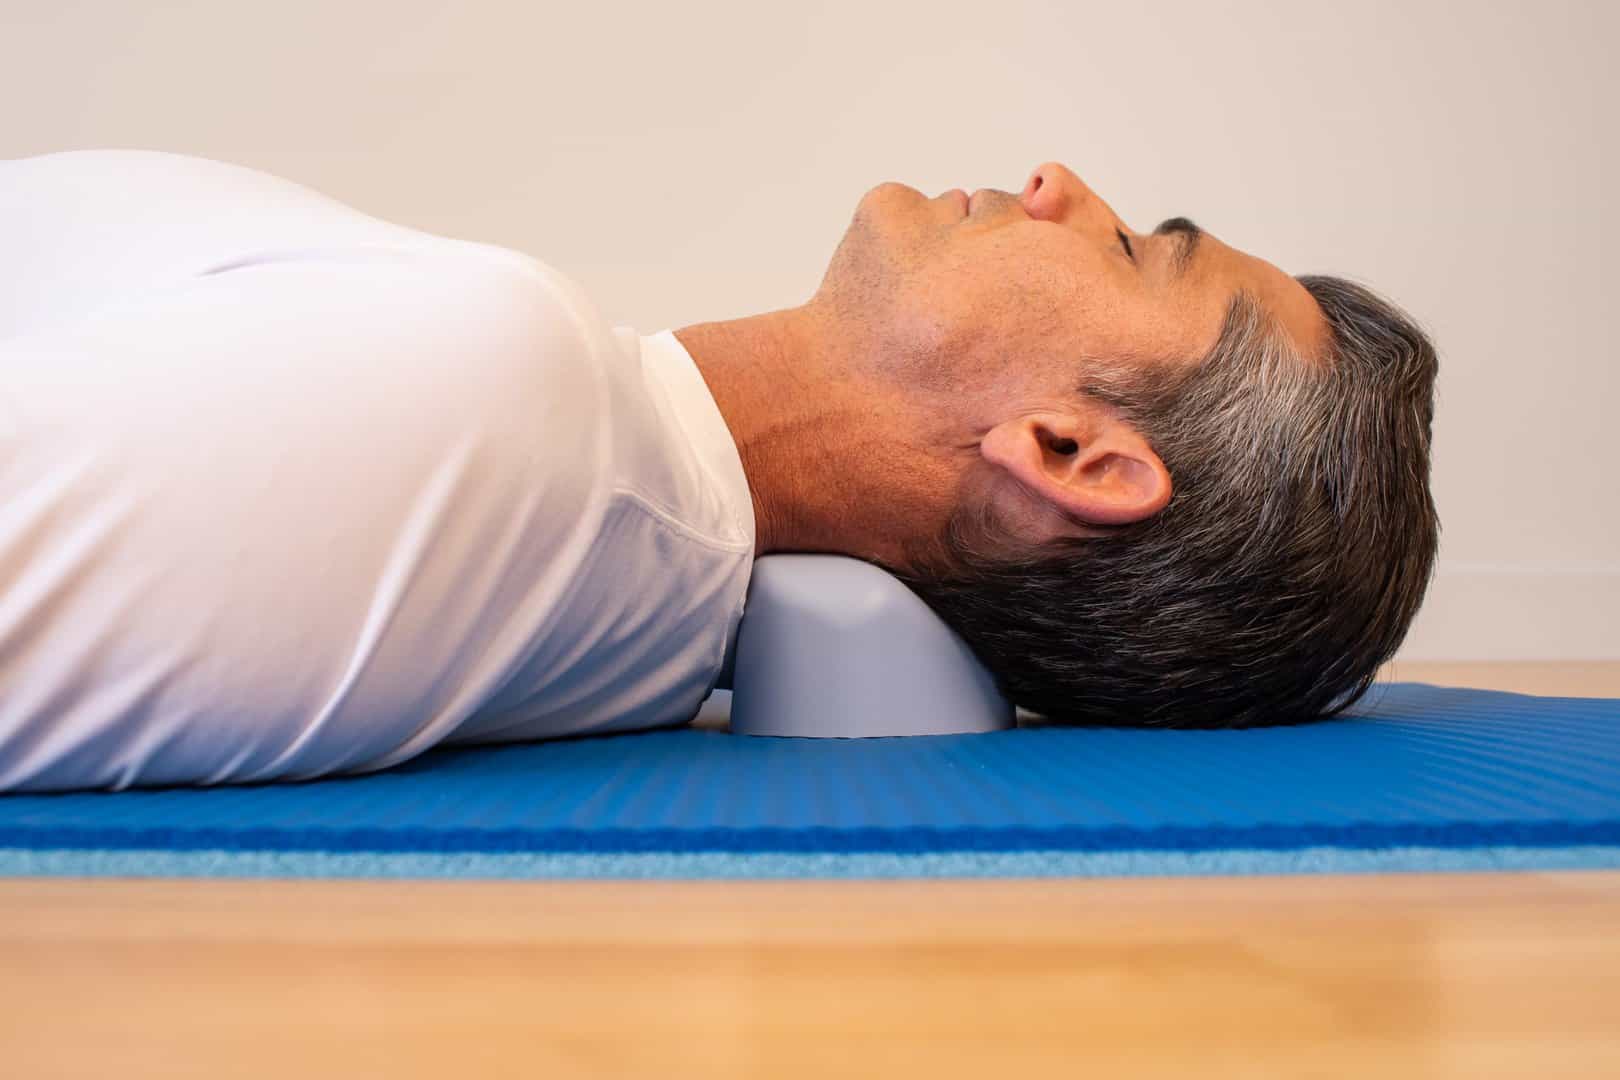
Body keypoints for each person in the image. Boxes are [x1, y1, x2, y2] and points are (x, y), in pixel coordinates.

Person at [0, 150, 1437, 792]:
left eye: (1130, 250)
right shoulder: (594, 496)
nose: (1059, 182)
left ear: (1073, 453)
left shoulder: (497, 404)